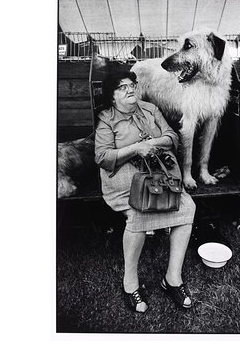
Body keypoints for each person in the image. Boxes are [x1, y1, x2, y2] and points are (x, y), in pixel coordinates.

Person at [94, 69, 196, 313]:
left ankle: (172, 278)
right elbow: (102, 156)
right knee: (138, 214)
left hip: (158, 175)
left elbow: (172, 136)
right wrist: (135, 149)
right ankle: (130, 283)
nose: (130, 90)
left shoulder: (150, 109)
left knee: (187, 207)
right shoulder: (107, 118)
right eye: (122, 87)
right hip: (122, 178)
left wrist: (151, 144)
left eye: (132, 85)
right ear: (112, 97)